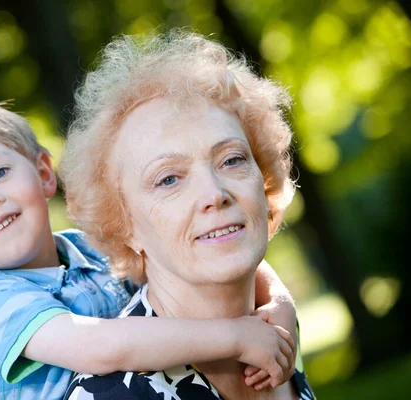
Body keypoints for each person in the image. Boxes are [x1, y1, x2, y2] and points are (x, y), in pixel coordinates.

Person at [0, 95, 299, 400]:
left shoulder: (87, 248)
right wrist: (234, 337)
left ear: (44, 173)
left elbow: (214, 255)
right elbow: (101, 347)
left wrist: (279, 309)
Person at [60, 29, 315, 399]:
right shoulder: (112, 394)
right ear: (124, 224)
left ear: (263, 181)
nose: (214, 194)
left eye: (232, 159)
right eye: (168, 180)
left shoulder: (276, 327)